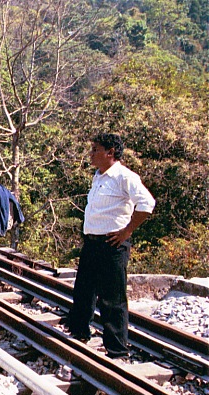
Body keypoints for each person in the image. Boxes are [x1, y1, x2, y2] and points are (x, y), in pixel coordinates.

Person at [68, 133, 155, 358]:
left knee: (112, 298)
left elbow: (147, 203)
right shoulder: (99, 176)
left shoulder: (124, 177)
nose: (91, 154)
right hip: (92, 242)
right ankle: (79, 333)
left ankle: (117, 349)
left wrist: (127, 232)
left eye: (96, 149)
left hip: (112, 244)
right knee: (84, 291)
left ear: (110, 152)